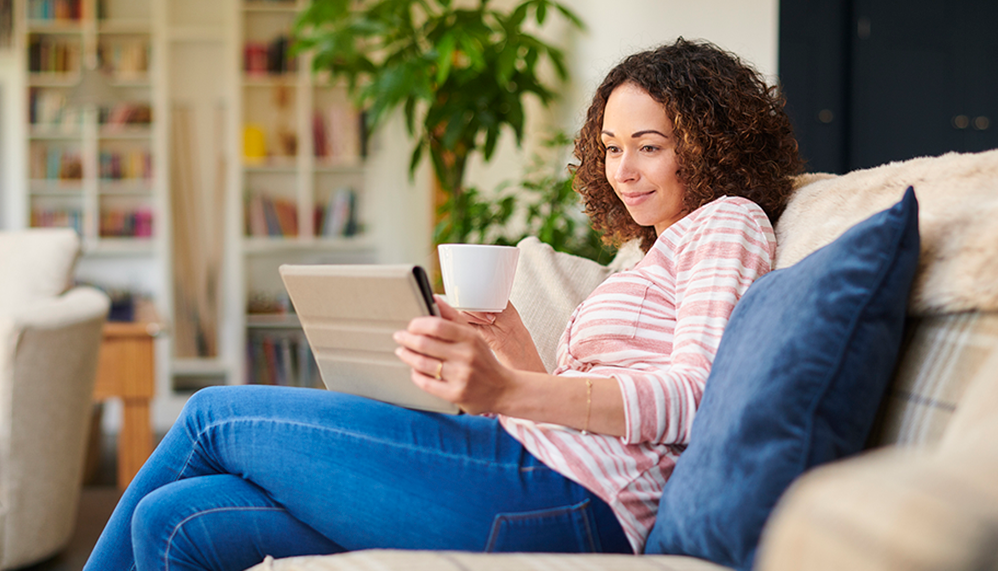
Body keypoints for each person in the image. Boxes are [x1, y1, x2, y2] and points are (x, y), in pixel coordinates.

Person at [84, 37, 804, 571]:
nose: (623, 171)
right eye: (611, 148)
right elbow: (588, 395)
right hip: (540, 472)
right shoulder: (649, 254)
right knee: (177, 521)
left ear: (711, 144)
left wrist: (510, 387)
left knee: (211, 413)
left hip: (576, 499)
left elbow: (698, 396)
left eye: (648, 146)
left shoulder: (726, 221)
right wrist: (513, 348)